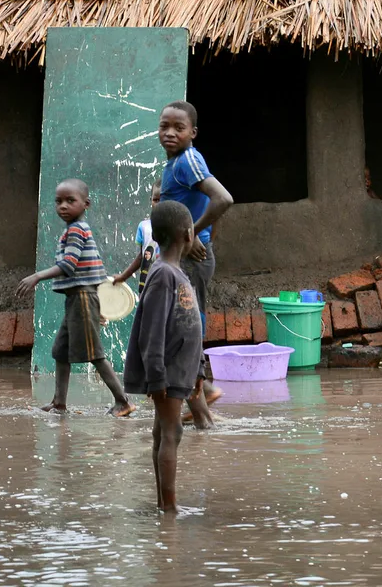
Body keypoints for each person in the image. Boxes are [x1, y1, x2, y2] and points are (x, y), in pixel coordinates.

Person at [16, 178, 136, 416]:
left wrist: (37, 276)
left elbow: (68, 265)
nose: (63, 206)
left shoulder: (77, 230)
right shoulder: (72, 230)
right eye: (59, 201)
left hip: (83, 299)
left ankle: (123, 401)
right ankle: (59, 403)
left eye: (70, 201)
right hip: (76, 300)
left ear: (86, 204)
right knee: (61, 351)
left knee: (94, 354)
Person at [123, 201, 205, 512]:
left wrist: (200, 369)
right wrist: (156, 375)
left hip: (180, 370)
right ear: (189, 233)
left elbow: (191, 329)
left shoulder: (177, 274)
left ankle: (162, 504)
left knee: (163, 431)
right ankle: (168, 509)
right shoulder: (162, 276)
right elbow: (151, 332)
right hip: (167, 372)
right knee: (172, 432)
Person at [157, 100, 233, 425]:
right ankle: (202, 408)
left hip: (190, 258)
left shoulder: (188, 160)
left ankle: (203, 415)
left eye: (179, 128)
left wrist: (192, 236)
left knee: (183, 335)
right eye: (165, 126)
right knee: (179, 334)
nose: (170, 133)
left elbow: (223, 199)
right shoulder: (175, 163)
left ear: (193, 133)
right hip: (182, 257)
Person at [112, 179, 161, 294]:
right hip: (146, 286)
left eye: (164, 199)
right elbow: (141, 257)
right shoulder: (143, 227)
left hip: (166, 286)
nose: (159, 203)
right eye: (156, 200)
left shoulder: (175, 225)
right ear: (151, 201)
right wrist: (123, 276)